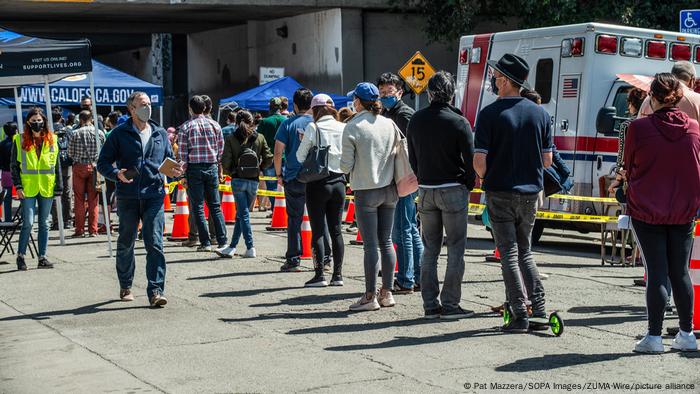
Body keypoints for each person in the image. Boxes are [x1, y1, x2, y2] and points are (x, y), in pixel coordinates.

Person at [473, 54, 553, 332]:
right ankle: (540, 309)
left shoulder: (489, 114)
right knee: (525, 252)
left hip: (500, 191)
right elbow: (547, 161)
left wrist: (486, 177)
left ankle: (519, 314)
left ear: (506, 81)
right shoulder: (541, 114)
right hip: (530, 193)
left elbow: (479, 161)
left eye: (495, 77)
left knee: (508, 253)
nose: (493, 81)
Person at [625, 73, 700, 353]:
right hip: (684, 209)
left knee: (656, 272)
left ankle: (654, 337)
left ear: (651, 97)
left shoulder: (639, 128)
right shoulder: (693, 128)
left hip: (647, 207)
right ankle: (687, 333)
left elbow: (629, 163)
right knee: (680, 272)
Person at [97, 91, 182, 307]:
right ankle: (126, 284)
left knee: (155, 242)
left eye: (149, 104)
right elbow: (103, 163)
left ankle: (155, 290)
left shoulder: (160, 133)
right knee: (126, 242)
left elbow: (166, 159)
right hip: (127, 197)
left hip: (154, 194)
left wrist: (174, 169)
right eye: (142, 104)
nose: (147, 107)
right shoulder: (118, 134)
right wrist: (117, 174)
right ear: (131, 109)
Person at [407, 71, 476, 319]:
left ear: (429, 93)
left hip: (426, 191)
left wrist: (423, 177)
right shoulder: (459, 122)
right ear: (452, 94)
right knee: (456, 248)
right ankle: (450, 304)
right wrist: (468, 183)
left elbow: (412, 158)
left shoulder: (416, 120)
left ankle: (429, 303)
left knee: (430, 248)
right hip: (453, 189)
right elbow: (470, 162)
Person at [340, 82, 398, 311]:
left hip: (366, 190)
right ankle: (387, 293)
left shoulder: (353, 126)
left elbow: (345, 165)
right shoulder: (389, 123)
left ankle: (369, 296)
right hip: (390, 189)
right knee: (386, 242)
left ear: (357, 101)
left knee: (370, 245)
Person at [377, 72, 423, 294]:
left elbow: (410, 147)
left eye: (389, 92)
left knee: (402, 230)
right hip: (401, 177)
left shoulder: (403, 114)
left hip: (403, 178)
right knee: (410, 229)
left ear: (400, 92)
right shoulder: (388, 112)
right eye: (382, 92)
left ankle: (405, 280)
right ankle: (418, 276)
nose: (385, 95)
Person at [295, 94, 347, 287]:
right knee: (337, 231)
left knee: (318, 230)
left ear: (315, 110)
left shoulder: (313, 127)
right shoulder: (343, 127)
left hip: (317, 183)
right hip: (339, 182)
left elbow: (300, 157)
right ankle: (338, 276)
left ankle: (319, 275)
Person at [10, 107, 63, 270]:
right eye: (34, 121)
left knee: (44, 224)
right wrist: (18, 186)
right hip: (27, 187)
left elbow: (57, 166)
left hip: (46, 186)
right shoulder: (19, 140)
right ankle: (21, 256)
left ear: (44, 122)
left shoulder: (52, 139)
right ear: (28, 122)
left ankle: (42, 257)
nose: (37, 124)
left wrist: (59, 186)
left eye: (40, 121)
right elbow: (14, 166)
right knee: (27, 223)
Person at [216, 110, 273, 258]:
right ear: (251, 121)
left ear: (236, 122)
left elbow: (225, 162)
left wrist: (231, 172)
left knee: (243, 214)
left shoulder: (231, 138)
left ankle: (250, 246)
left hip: (238, 180)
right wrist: (260, 168)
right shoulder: (259, 137)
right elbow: (268, 157)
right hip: (254, 180)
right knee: (241, 214)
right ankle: (232, 246)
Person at [177, 95, 227, 252]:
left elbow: (182, 155)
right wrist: (219, 167)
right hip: (211, 167)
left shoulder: (186, 127)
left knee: (198, 206)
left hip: (194, 169)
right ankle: (222, 240)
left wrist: (182, 175)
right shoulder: (215, 125)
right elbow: (221, 151)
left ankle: (205, 242)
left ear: (190, 109)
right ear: (205, 108)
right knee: (215, 206)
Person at [274, 88, 314, 272]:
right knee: (319, 220)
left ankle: (293, 259)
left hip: (293, 176)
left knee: (294, 220)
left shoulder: (287, 124)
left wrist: (278, 175)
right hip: (315, 177)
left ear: (295, 105)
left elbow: (278, 151)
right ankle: (324, 258)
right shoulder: (317, 124)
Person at [68, 110, 106, 238]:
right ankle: (93, 230)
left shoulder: (75, 133)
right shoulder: (99, 133)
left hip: (79, 166)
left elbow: (70, 152)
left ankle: (79, 230)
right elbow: (105, 151)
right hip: (95, 167)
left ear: (81, 120)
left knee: (78, 199)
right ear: (92, 119)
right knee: (93, 199)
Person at [258, 97, 287, 210]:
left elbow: (259, 140)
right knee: (284, 185)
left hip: (268, 158)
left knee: (271, 186)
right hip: (284, 157)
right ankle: (282, 211)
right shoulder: (286, 121)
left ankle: (276, 210)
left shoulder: (264, 122)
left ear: (270, 107)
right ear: (280, 108)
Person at [50, 108, 73, 231]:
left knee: (55, 193)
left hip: (52, 164)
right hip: (67, 165)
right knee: (67, 193)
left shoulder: (48, 131)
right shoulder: (68, 130)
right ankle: (67, 220)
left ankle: (56, 221)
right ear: (60, 117)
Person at [0, 123, 18, 222]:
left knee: (7, 199)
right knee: (23, 198)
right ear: (15, 130)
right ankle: (24, 219)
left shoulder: (2, 144)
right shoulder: (18, 143)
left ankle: (7, 220)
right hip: (19, 173)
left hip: (6, 172)